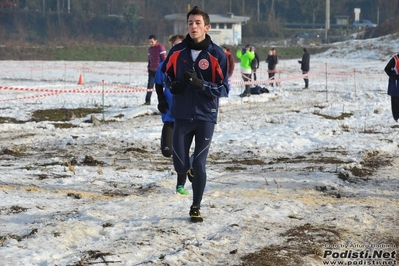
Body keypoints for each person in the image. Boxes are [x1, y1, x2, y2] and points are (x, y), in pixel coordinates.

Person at [161, 6, 229, 223]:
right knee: (180, 164)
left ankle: (196, 205)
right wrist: (173, 86)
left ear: (206, 27)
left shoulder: (217, 54)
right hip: (181, 114)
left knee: (199, 164)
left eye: (198, 23)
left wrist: (201, 84)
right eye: (190, 23)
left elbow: (224, 89)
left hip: (205, 116)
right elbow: (166, 77)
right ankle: (187, 170)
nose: (193, 26)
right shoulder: (177, 52)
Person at [154, 34, 188, 195]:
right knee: (167, 150)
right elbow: (158, 83)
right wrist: (161, 99)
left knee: (182, 151)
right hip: (169, 113)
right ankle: (185, 163)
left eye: (180, 45)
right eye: (175, 45)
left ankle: (180, 184)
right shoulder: (164, 65)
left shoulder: (189, 64)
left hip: (185, 114)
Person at [144, 34, 167, 105]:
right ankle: (147, 101)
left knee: (162, 87)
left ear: (156, 41)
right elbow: (149, 60)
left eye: (152, 42)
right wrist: (148, 67)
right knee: (149, 86)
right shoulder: (150, 49)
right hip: (151, 71)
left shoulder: (161, 48)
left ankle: (164, 101)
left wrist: (164, 69)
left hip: (159, 71)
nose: (150, 43)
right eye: (149, 42)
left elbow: (164, 59)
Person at [384, 53, 399, 122]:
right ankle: (396, 119)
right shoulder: (395, 59)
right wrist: (395, 76)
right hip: (396, 87)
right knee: (396, 105)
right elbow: (387, 69)